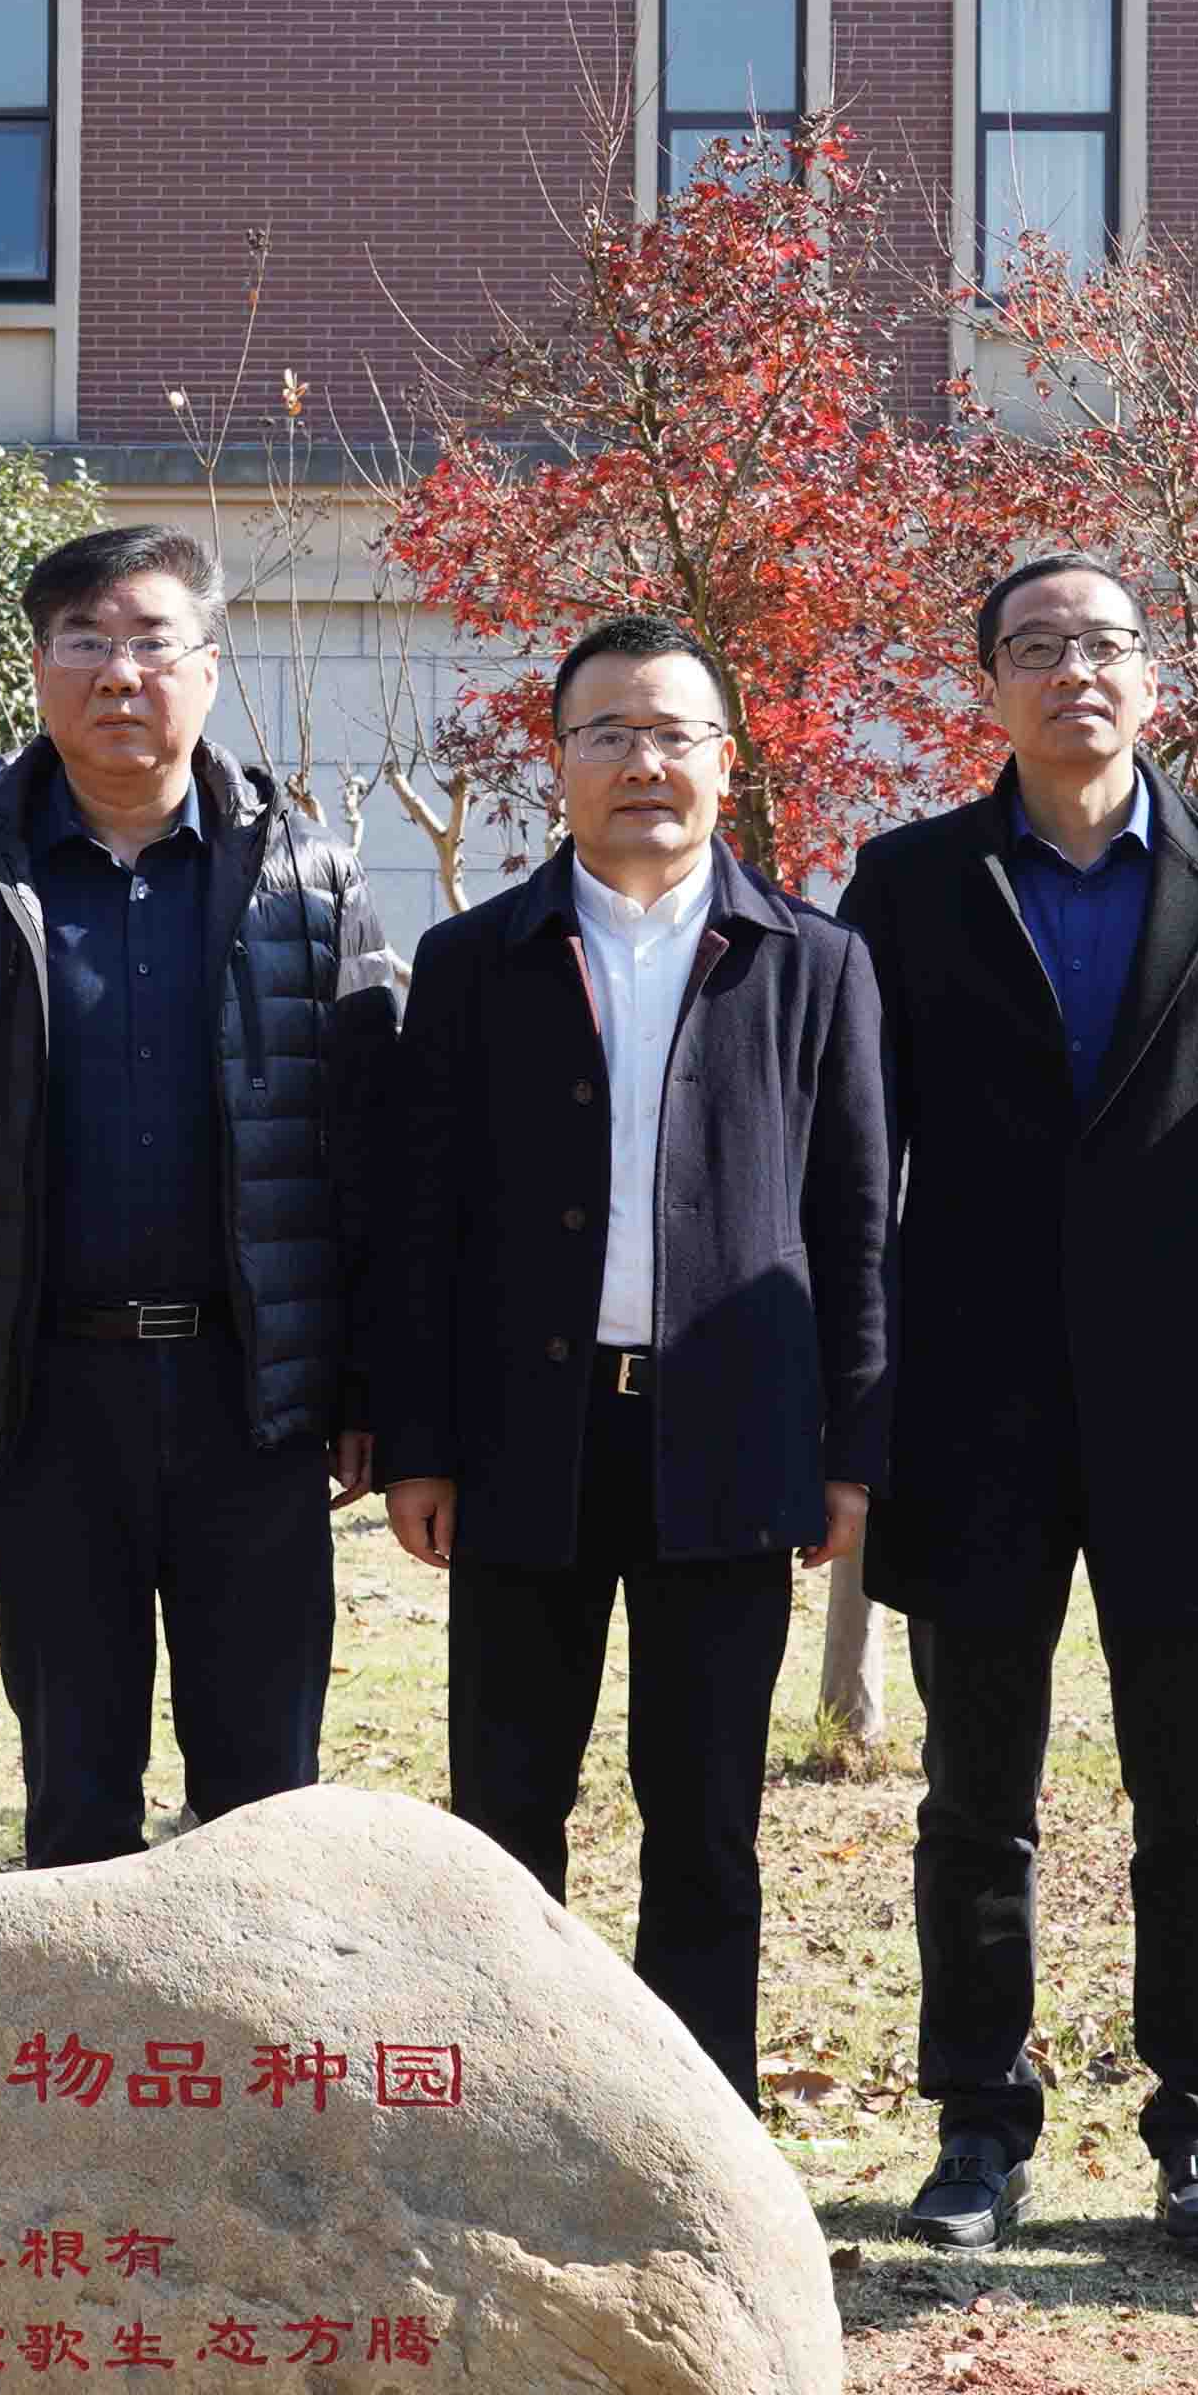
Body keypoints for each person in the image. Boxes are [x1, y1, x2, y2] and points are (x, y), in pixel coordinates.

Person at [836, 557, 1198, 2260]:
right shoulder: (911, 882)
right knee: (973, 1797)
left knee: (1189, 1791)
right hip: (965, 1404)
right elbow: (855, 1159)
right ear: (988, 684)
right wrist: (857, 1401)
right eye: (1038, 647)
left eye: (1105, 645)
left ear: (1153, 681)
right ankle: (978, 2130)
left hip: (1187, 1402)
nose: (1074, 671)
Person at [369, 614, 889, 2091]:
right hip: (523, 1439)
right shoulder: (476, 961)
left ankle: (695, 2122)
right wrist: (419, 1443)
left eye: (674, 734)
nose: (643, 763)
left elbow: (856, 1222)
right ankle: (506, 2104)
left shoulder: (813, 962)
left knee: (706, 1814)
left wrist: (851, 1449)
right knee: (505, 1807)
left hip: (731, 1438)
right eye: (609, 734)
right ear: (560, 762)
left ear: (726, 761)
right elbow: (418, 1224)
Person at [0, 525, 401, 1865]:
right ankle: (86, 2013)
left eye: (152, 642)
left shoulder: (305, 877)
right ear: (38, 668)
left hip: (251, 1402)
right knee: (76, 1793)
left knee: (266, 1803)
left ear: (209, 667)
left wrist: (372, 1391)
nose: (119, 674)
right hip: (42, 1400)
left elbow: (369, 1162)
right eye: (83, 642)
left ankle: (254, 2011)